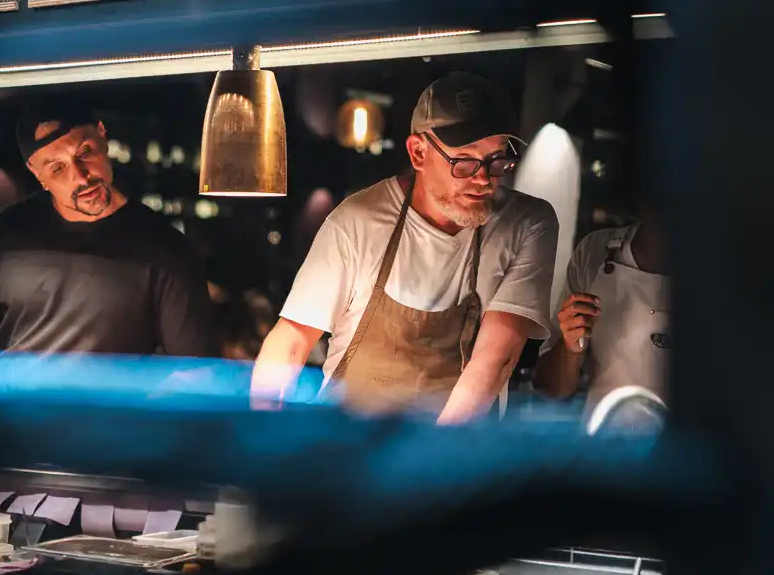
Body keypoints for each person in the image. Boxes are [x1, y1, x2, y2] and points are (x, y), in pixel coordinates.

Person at [250, 72, 559, 422]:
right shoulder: (357, 221)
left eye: (497, 159)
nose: (484, 178)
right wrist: (260, 432)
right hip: (345, 440)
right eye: (465, 161)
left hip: (455, 445)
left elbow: (495, 360)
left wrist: (431, 452)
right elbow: (290, 341)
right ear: (418, 152)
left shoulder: (526, 223)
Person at [0, 103, 219, 361]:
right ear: (36, 174)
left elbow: (193, 372)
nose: (81, 177)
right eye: (58, 168)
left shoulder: (166, 249)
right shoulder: (8, 232)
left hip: (102, 405)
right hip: (8, 402)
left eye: (85, 152)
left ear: (102, 135)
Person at [533, 202, 670, 417]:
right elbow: (551, 389)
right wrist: (570, 347)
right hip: (601, 430)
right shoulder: (595, 251)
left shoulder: (722, 271)